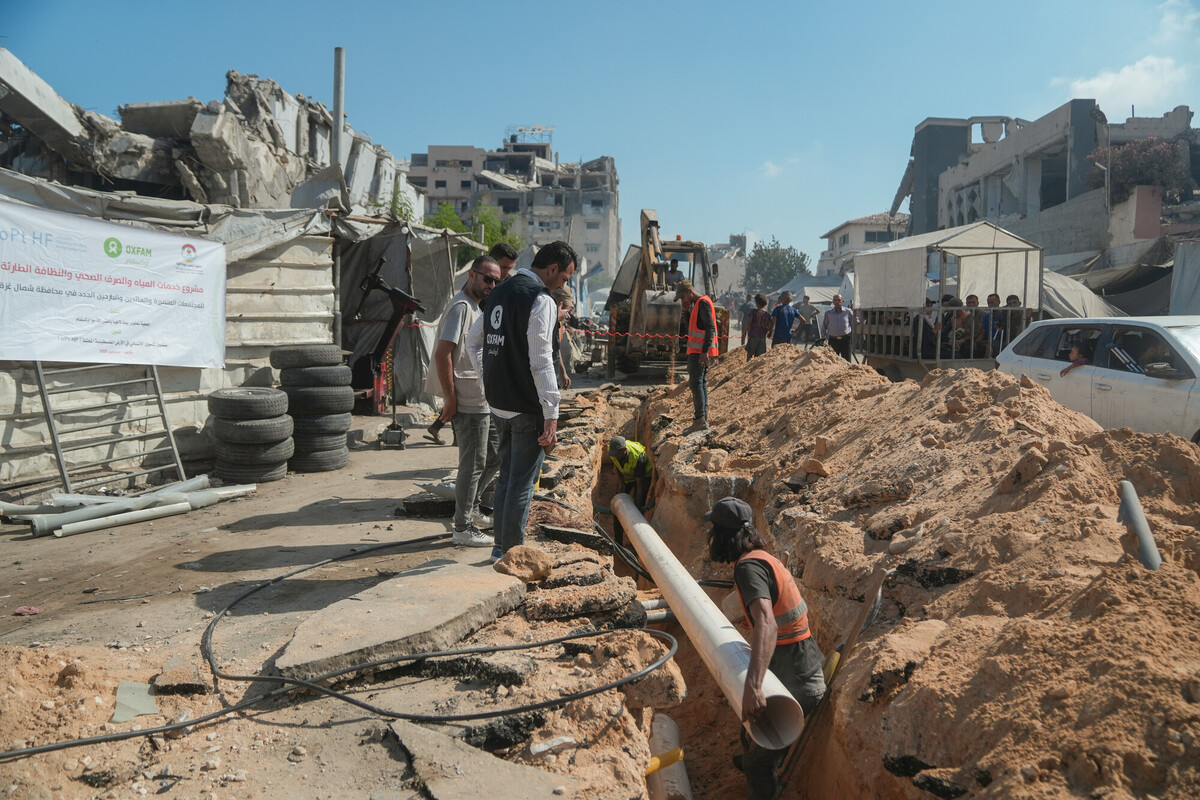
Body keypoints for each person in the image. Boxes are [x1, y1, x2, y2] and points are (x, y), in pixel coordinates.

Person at [705, 497, 825, 800]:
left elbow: (768, 623)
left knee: (761, 761)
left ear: (725, 535)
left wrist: (755, 685)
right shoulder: (762, 556)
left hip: (798, 677)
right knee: (748, 731)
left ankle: (758, 772)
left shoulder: (748, 569)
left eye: (714, 530)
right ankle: (751, 759)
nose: (710, 537)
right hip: (800, 662)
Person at [469, 240, 577, 563]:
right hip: (526, 407)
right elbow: (541, 360)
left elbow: (474, 341)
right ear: (552, 269)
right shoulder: (540, 299)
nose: (564, 285)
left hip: (499, 404)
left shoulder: (500, 291)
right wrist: (552, 411)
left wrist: (488, 379)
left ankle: (499, 547)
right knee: (522, 481)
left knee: (507, 476)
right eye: (566, 278)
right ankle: (512, 554)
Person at [430, 256, 501, 548]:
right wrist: (449, 398)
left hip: (482, 400)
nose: (492, 285)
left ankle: (471, 508)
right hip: (467, 401)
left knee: (496, 456)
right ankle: (462, 527)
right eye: (487, 279)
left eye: (496, 281)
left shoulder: (475, 307)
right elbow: (442, 353)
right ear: (472, 275)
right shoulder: (461, 307)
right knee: (472, 464)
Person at [676, 279, 717, 433]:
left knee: (696, 383)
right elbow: (692, 330)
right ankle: (703, 419)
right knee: (700, 383)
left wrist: (704, 352)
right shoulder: (699, 304)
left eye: (683, 297)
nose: (683, 300)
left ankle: (700, 421)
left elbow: (710, 328)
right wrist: (686, 313)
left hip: (699, 353)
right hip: (698, 351)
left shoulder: (703, 303)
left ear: (690, 292)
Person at [608, 435, 652, 509]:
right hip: (628, 474)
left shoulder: (638, 458)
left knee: (641, 499)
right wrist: (621, 484)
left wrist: (637, 507)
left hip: (644, 476)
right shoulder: (613, 451)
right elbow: (616, 466)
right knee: (621, 497)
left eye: (616, 454)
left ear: (624, 450)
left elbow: (639, 485)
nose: (614, 456)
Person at [552, 286, 574, 390]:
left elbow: (556, 348)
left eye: (568, 309)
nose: (566, 314)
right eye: (564, 308)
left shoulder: (558, 322)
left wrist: (563, 372)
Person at [823, 294, 856, 361]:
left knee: (847, 361)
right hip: (833, 341)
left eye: (839, 300)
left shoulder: (848, 312)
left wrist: (852, 332)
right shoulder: (828, 313)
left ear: (842, 301)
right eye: (835, 300)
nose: (837, 302)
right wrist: (822, 338)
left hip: (845, 340)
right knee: (833, 361)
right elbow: (824, 326)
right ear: (833, 302)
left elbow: (856, 322)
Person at [743, 294, 772, 360]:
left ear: (756, 303)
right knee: (759, 356)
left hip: (753, 336)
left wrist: (745, 331)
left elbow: (749, 322)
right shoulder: (767, 315)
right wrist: (769, 332)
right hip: (762, 337)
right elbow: (770, 326)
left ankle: (748, 366)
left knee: (750, 354)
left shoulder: (753, 312)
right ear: (766, 303)